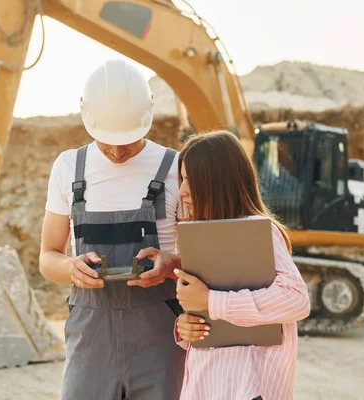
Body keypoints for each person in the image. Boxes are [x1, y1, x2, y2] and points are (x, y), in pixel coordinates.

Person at [38, 59, 186, 400]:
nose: (119, 151)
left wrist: (171, 263)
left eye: (129, 141)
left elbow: (204, 255)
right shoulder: (68, 168)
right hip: (91, 336)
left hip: (160, 333)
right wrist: (70, 268)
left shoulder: (176, 167)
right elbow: (48, 257)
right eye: (107, 142)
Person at [144, 131, 311, 400]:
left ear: (217, 181)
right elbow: (206, 318)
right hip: (205, 385)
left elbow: (296, 300)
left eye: (190, 179)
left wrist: (211, 300)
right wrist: (186, 327)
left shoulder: (259, 232)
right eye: (182, 179)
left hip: (248, 388)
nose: (183, 191)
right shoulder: (197, 238)